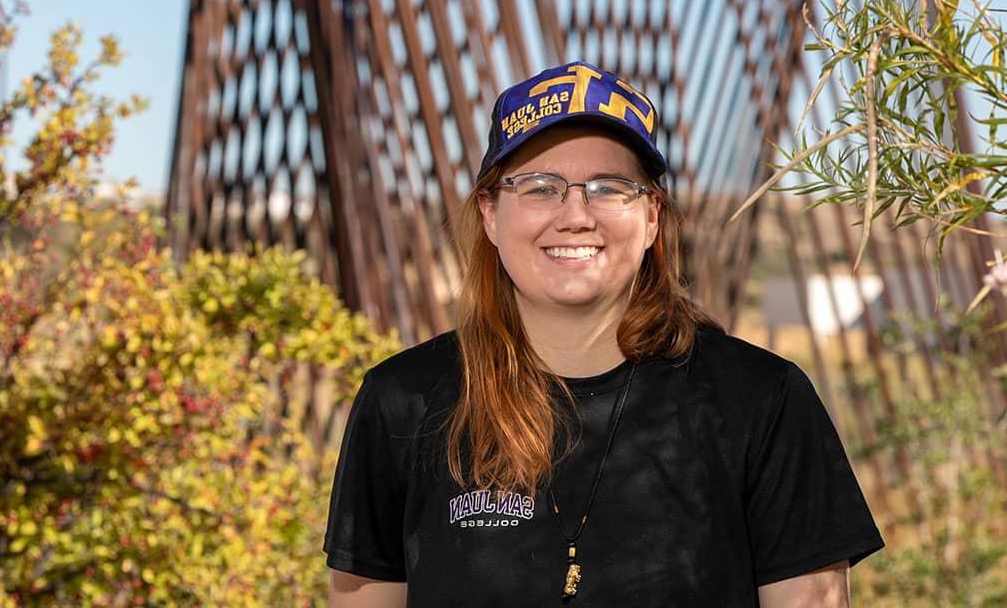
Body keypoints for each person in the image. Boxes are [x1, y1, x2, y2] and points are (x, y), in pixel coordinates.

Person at [323, 61, 884, 607]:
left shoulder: (763, 401)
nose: (575, 215)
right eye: (541, 187)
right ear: (491, 215)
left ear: (652, 219)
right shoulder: (403, 402)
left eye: (609, 187)